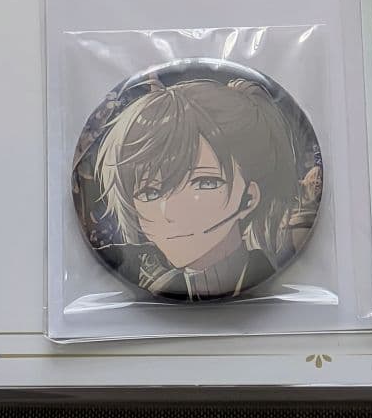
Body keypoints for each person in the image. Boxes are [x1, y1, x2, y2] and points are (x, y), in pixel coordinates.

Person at [94, 77, 301, 300]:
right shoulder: (157, 284)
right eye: (150, 193)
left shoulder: (269, 276)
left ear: (248, 198)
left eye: (204, 183)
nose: (169, 212)